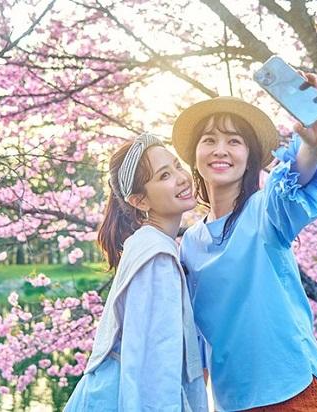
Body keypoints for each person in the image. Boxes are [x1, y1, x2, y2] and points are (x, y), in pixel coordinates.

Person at [171, 74, 317, 411]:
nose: (220, 150)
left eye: (234, 141)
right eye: (209, 140)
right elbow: (197, 337)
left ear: (250, 157)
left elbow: (295, 181)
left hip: (293, 390)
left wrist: (313, 146)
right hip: (232, 400)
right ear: (195, 154)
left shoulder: (265, 210)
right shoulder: (190, 242)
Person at [64, 133, 208, 411]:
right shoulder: (157, 258)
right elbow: (155, 366)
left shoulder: (147, 244)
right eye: (164, 175)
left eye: (177, 166)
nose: (181, 178)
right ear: (140, 201)